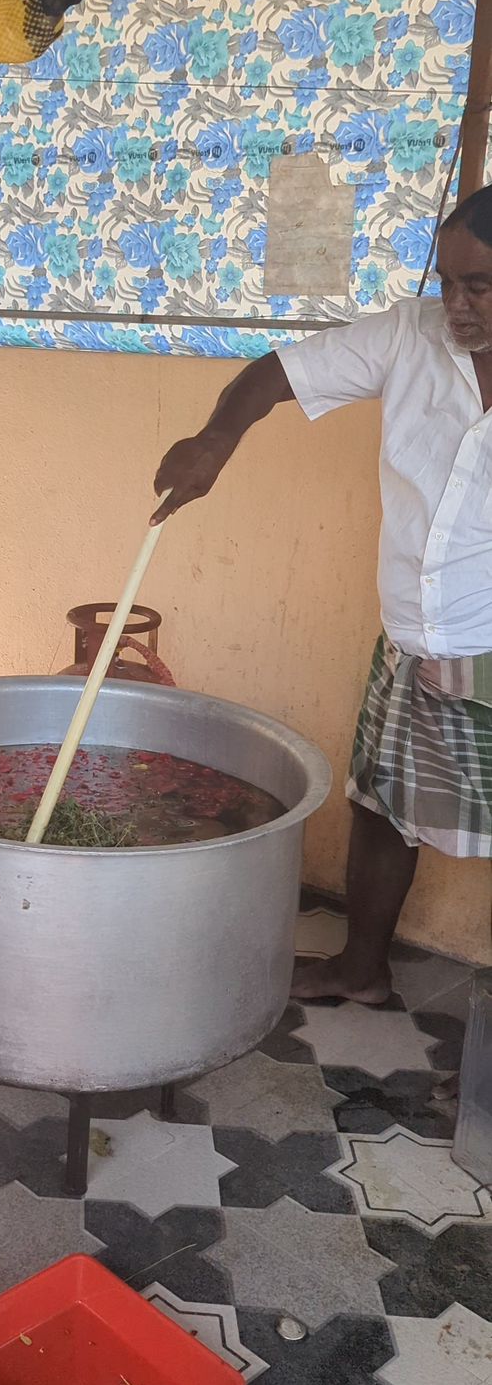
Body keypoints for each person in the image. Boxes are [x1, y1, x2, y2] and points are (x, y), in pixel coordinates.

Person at [153, 184, 492, 1008]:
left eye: (479, 286)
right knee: (379, 805)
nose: (454, 303)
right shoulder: (411, 336)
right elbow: (274, 375)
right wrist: (214, 441)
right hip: (412, 633)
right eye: (445, 280)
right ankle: (361, 967)